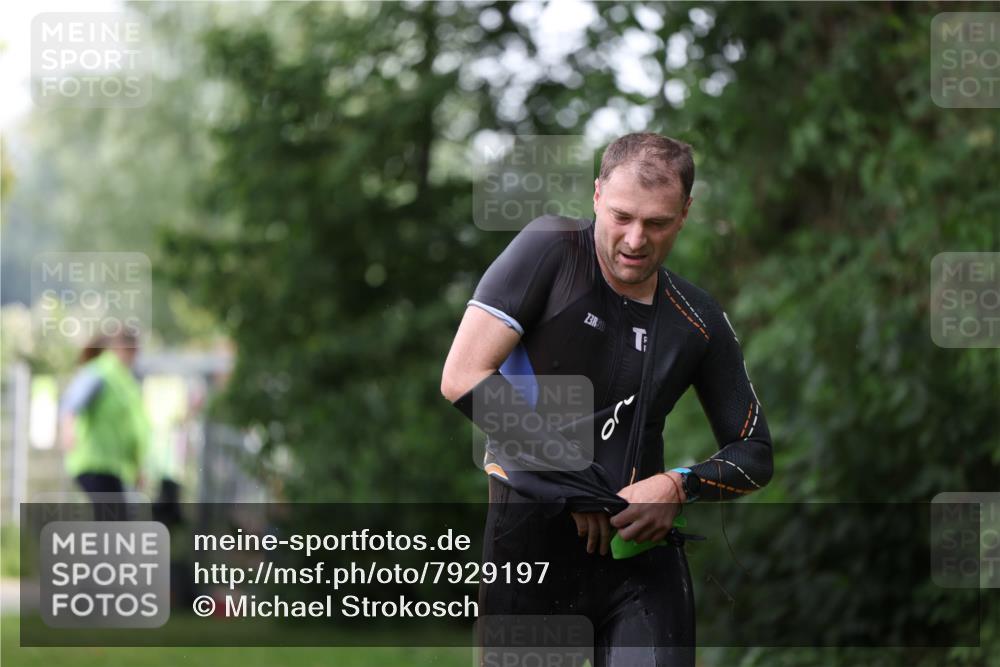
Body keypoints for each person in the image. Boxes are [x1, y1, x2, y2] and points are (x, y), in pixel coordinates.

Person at [441, 133, 773, 666]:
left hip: (641, 564)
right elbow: (463, 376)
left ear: (685, 213)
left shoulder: (697, 318)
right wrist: (581, 489)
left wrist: (677, 485)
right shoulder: (550, 250)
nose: (636, 239)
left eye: (657, 223)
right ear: (596, 195)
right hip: (531, 551)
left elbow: (754, 454)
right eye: (621, 216)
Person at [60, 330, 150, 515]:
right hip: (94, 463)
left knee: (116, 521)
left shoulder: (124, 379)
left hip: (114, 467)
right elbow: (71, 403)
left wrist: (138, 467)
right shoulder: (100, 372)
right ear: (121, 349)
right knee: (114, 521)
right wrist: (68, 430)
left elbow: (133, 427)